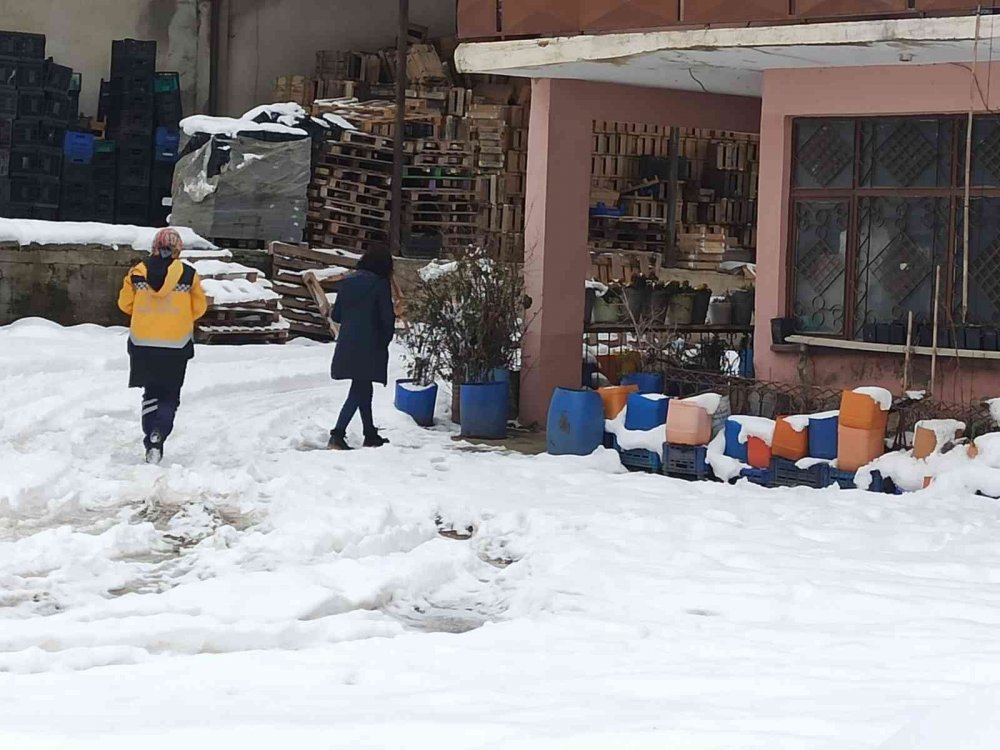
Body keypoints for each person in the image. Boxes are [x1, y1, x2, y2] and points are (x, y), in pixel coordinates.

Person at [117, 228, 208, 464]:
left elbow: (125, 305)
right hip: (176, 346)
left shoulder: (137, 273)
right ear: (178, 249)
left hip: (142, 344)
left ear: (154, 247)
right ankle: (159, 434)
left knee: (151, 393)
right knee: (169, 395)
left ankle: (150, 436)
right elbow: (199, 309)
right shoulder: (189, 275)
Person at [328, 248, 395, 450]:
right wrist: (384, 341)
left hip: (347, 343)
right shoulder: (380, 284)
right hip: (370, 344)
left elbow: (336, 315)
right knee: (359, 390)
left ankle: (370, 434)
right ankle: (337, 435)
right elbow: (387, 318)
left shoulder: (347, 282)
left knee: (363, 387)